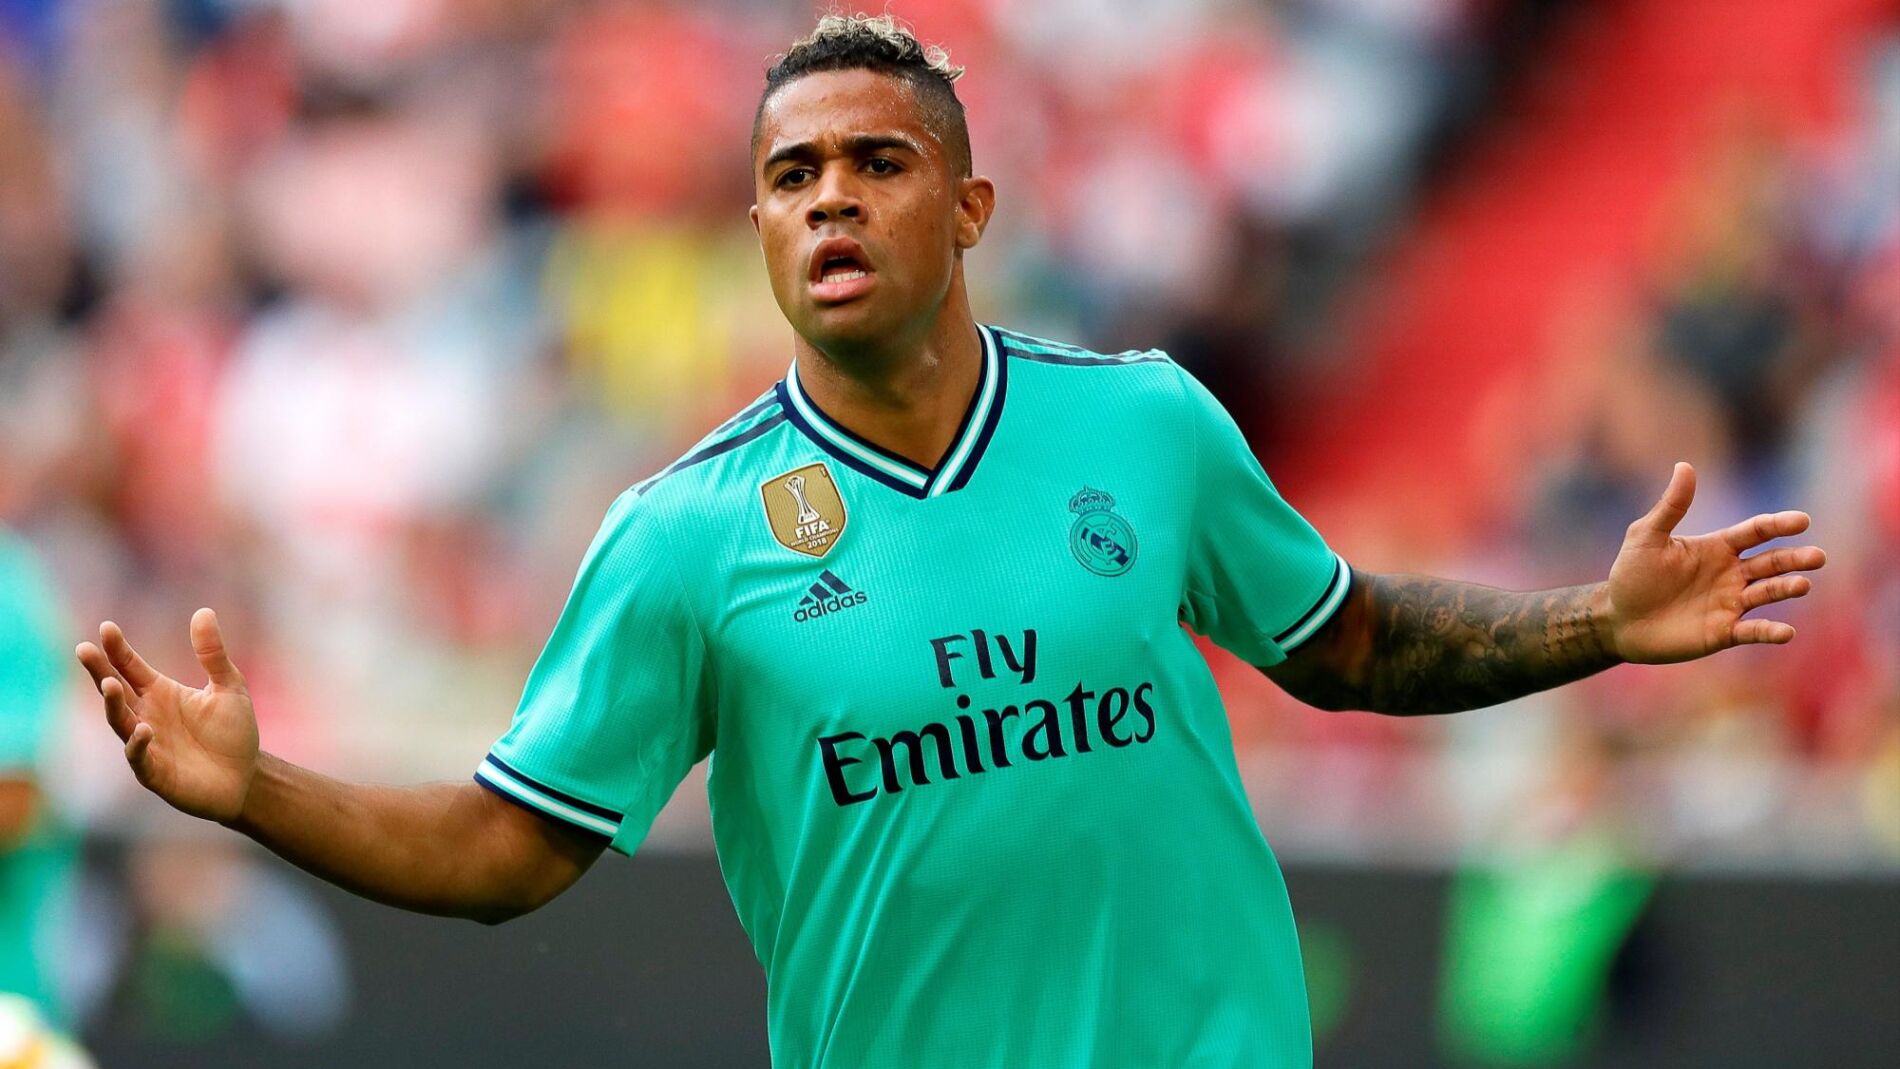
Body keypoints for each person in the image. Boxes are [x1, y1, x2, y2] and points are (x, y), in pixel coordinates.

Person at [75, 15, 1827, 1068]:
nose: (830, 196)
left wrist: (1596, 621)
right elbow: (502, 847)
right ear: (762, 229)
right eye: (792, 177)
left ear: (970, 202)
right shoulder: (683, 537)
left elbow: (1349, 640)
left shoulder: (1145, 425)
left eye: (877, 162)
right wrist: (255, 790)